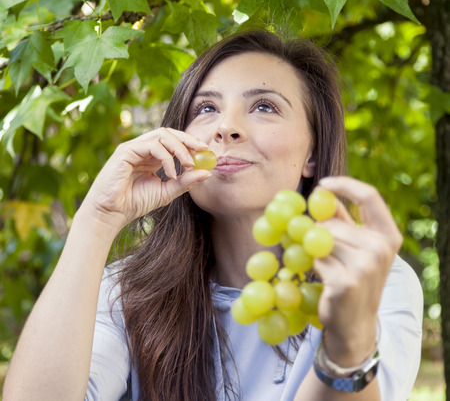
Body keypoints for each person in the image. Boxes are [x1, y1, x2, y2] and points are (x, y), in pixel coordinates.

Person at [3, 30, 423, 401]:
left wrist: (348, 346)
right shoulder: (125, 291)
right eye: (206, 108)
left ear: (312, 153)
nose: (226, 127)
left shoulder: (372, 280)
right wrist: (97, 219)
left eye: (264, 107)